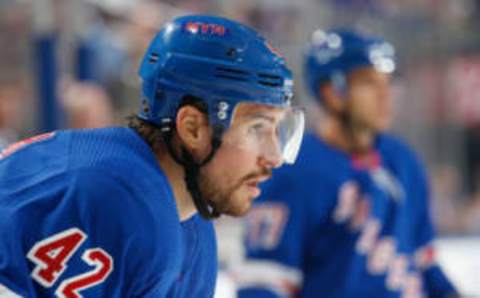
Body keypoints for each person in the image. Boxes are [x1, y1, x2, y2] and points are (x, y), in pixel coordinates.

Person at [0, 15, 304, 297]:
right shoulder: (119, 198)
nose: (274, 157)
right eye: (257, 128)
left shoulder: (193, 230)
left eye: (278, 130)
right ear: (193, 127)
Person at [236, 29, 458, 298]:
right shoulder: (294, 172)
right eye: (368, 83)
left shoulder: (403, 161)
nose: (385, 95)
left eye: (388, 83)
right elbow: (263, 284)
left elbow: (423, 260)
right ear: (332, 92)